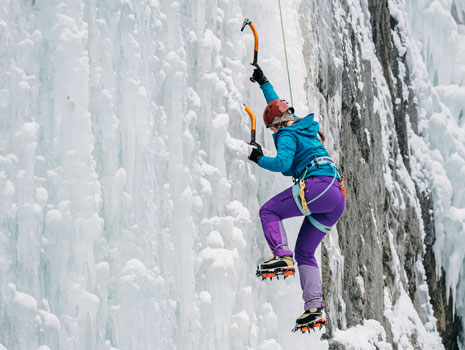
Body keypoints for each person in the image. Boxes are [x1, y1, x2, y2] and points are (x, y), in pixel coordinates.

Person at [248, 65, 346, 331]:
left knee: (269, 211)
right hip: (335, 198)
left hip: (318, 186)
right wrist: (263, 81)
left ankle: (282, 255)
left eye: (272, 130)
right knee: (305, 252)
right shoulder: (299, 126)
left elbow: (281, 163)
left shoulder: (287, 134)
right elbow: (277, 106)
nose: (274, 133)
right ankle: (314, 309)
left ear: (276, 127)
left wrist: (258, 158)